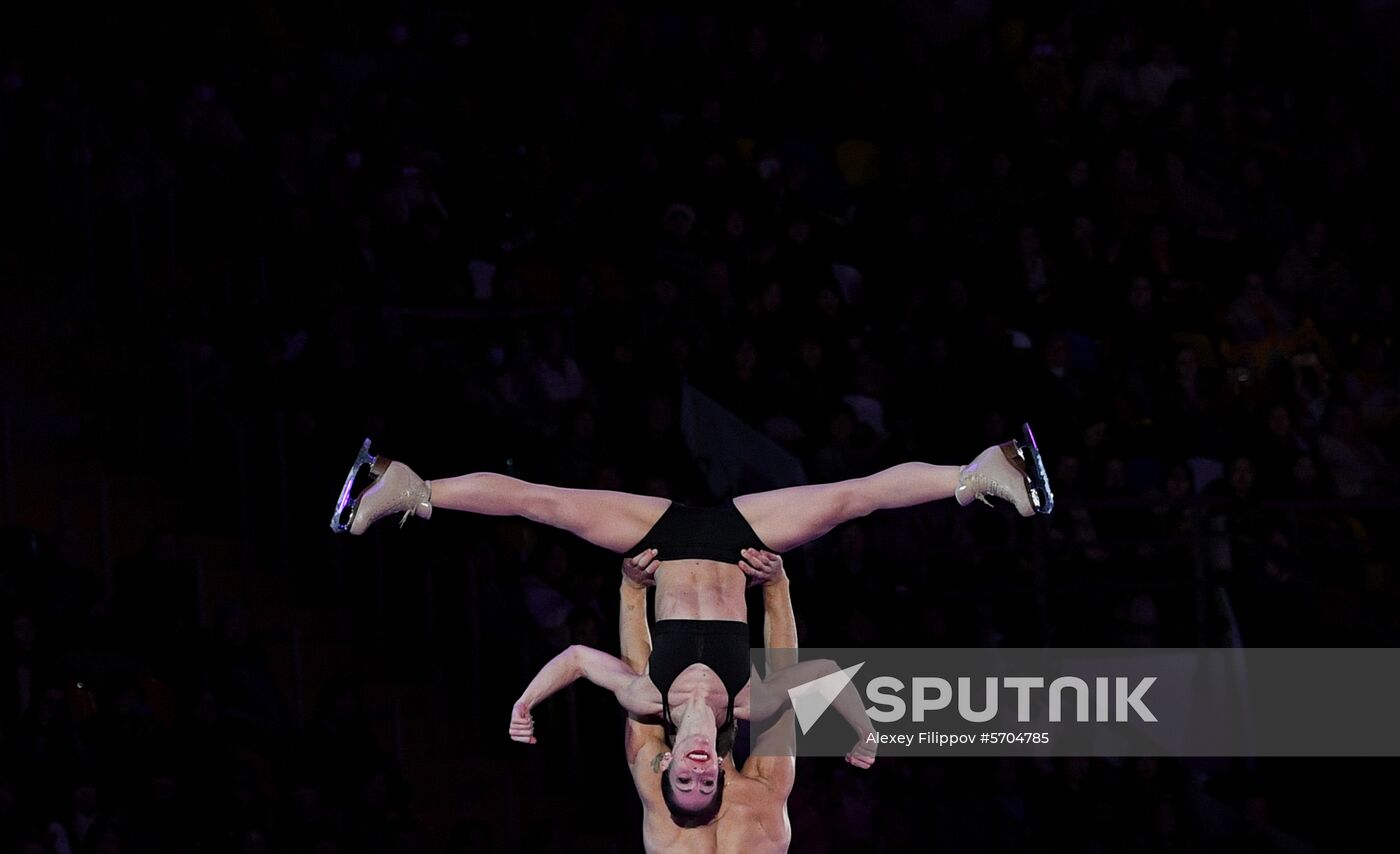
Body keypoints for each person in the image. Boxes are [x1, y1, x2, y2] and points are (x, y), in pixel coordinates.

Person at [507, 547, 874, 841]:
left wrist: (631, 588)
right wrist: (777, 584)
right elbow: (797, 681)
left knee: (644, 704)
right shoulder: (758, 799)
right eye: (705, 779)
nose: (696, 771)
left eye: (685, 778)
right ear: (717, 774)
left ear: (670, 767)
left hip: (678, 587)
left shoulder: (656, 735)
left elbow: (600, 664)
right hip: (725, 583)